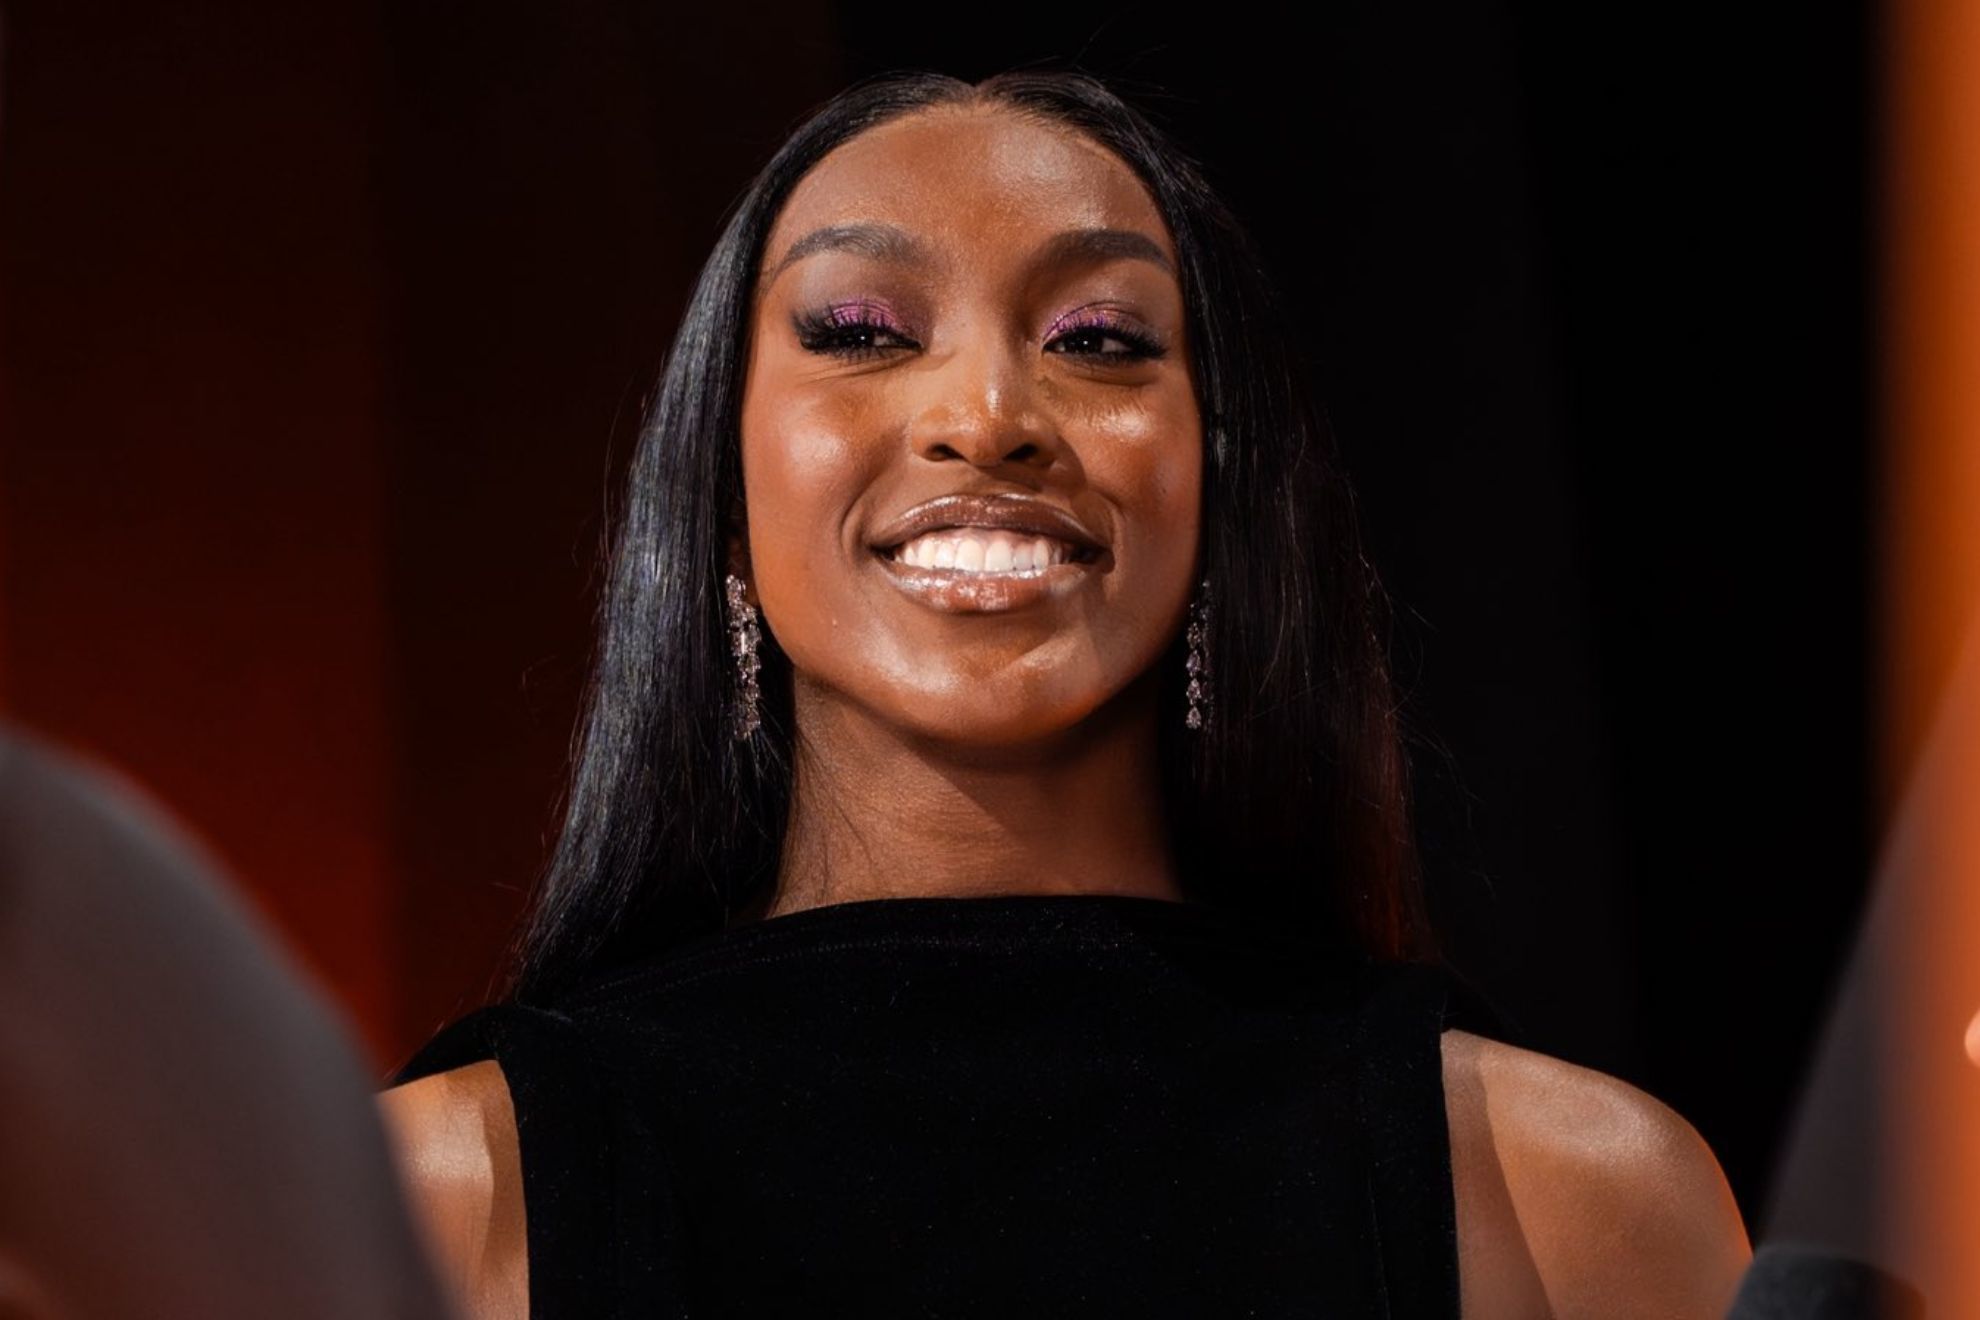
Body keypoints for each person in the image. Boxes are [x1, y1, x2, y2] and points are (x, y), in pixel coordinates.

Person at [378, 70, 1751, 1319]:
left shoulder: (1585, 1211)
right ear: (725, 512)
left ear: (1221, 495)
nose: (987, 413)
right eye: (859, 330)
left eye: (1099, 340)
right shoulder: (430, 1210)